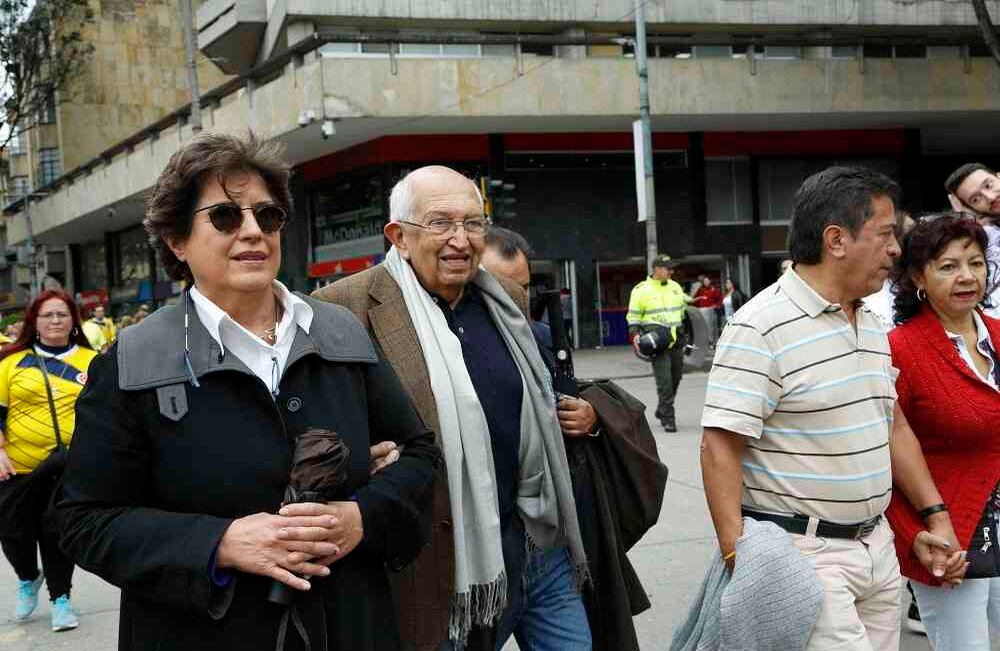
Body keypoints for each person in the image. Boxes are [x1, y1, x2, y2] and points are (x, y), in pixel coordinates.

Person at [58, 132, 439, 651]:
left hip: (348, 623)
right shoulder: (131, 361)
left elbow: (418, 453)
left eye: (269, 215)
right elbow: (84, 520)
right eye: (225, 217)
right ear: (176, 240)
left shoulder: (340, 332)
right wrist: (219, 544)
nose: (253, 231)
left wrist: (361, 517)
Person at [314, 165, 590, 651]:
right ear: (398, 236)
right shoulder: (341, 307)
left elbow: (538, 388)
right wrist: (362, 456)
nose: (460, 240)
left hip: (535, 535)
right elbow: (319, 427)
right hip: (438, 557)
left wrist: (579, 413)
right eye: (440, 223)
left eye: (473, 223)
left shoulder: (504, 297)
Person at [700, 166, 959, 650]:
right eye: (885, 235)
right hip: (804, 554)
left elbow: (893, 425)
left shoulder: (871, 322)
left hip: (875, 549)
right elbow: (719, 446)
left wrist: (933, 513)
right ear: (836, 239)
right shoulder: (760, 327)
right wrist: (741, 556)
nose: (896, 250)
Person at [883, 212, 1000, 650]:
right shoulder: (900, 349)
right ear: (918, 276)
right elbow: (886, 454)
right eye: (948, 266)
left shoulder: (999, 334)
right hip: (952, 536)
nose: (967, 276)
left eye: (976, 263)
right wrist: (914, 535)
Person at [0, 289, 96, 632]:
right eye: (47, 315)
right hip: (19, 468)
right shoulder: (10, 362)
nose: (55, 321)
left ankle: (61, 600)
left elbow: (107, 414)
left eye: (62, 314)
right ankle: (28, 577)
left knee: (55, 533)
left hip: (69, 467)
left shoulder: (92, 360)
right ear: (34, 322)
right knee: (11, 531)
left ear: (73, 321)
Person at [627, 254, 694, 432]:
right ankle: (668, 417)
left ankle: (662, 408)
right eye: (667, 268)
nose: (671, 271)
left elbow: (683, 313)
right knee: (664, 381)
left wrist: (689, 335)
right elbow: (633, 316)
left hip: (677, 340)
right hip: (658, 342)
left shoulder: (675, 287)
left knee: (676, 378)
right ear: (656, 269)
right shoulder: (641, 290)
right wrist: (634, 334)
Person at [946, 163, 1000, 318]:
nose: (990, 197)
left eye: (989, 185)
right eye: (976, 199)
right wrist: (966, 219)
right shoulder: (989, 238)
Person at [693, 275, 723, 344]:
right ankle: (707, 341)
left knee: (712, 326)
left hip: (711, 310)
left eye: (707, 280)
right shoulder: (700, 289)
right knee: (704, 327)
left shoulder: (713, 289)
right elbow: (695, 299)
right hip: (702, 311)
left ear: (710, 281)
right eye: (705, 281)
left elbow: (720, 298)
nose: (706, 282)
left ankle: (713, 341)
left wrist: (717, 305)